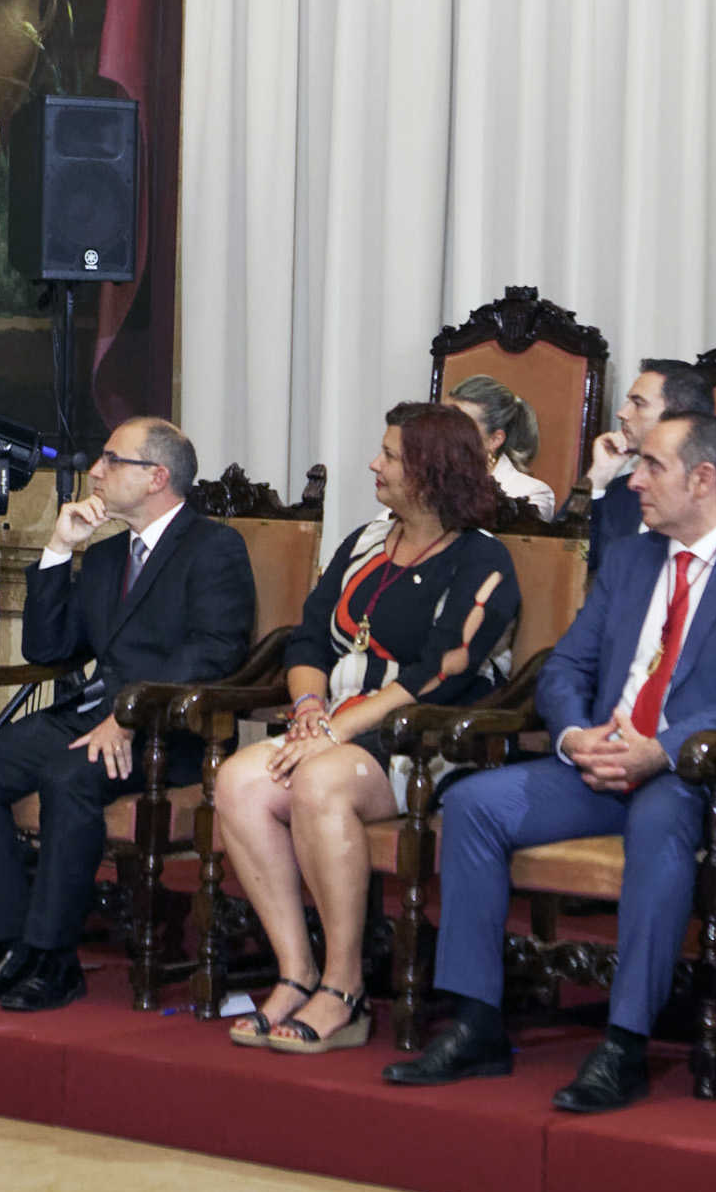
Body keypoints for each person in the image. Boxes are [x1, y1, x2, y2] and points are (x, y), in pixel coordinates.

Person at [384, 411, 716, 1112]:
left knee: (658, 816)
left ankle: (623, 1043)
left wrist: (665, 749)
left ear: (702, 478)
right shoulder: (630, 557)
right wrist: (573, 735)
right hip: (598, 763)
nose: (634, 479)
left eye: (651, 466)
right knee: (473, 804)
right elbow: (566, 665)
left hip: (701, 780)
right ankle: (476, 1023)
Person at [215, 406, 519, 1054]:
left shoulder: (480, 559)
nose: (373, 466)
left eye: (389, 456)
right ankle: (295, 972)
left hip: (427, 737)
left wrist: (336, 731)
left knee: (321, 780)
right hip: (332, 725)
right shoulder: (361, 543)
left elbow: (442, 668)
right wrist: (307, 712)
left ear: (432, 472)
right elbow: (306, 639)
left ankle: (343, 989)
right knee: (238, 780)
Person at [0, 418, 256, 1014]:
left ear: (157, 476)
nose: (96, 471)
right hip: (89, 719)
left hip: (169, 733)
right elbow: (49, 650)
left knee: (65, 775)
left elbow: (216, 652)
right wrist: (59, 550)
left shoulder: (214, 548)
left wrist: (130, 713)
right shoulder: (108, 556)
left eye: (113, 460)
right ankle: (5, 947)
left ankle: (52, 960)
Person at [580, 359, 716, 578]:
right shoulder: (621, 491)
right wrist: (598, 478)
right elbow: (561, 560)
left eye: (638, 403)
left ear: (680, 416)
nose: (622, 413)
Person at [448, 375, 560, 520]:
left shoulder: (533, 493)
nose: (443, 432)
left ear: (494, 440)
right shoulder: (424, 479)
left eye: (459, 426)